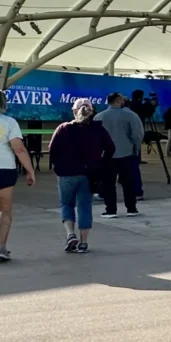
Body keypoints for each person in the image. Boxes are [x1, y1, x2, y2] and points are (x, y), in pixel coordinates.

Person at [49, 99, 114, 254]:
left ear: (74, 111)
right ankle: (84, 242)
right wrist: (101, 164)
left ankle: (70, 234)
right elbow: (110, 148)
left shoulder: (63, 128)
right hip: (89, 174)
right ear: (92, 112)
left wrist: (57, 166)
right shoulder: (98, 130)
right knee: (85, 206)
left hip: (66, 173)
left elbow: (52, 149)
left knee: (66, 204)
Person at [94, 92, 144, 218]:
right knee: (128, 183)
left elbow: (94, 139)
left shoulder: (99, 117)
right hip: (126, 154)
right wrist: (135, 149)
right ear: (118, 100)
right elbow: (137, 135)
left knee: (108, 183)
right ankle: (131, 208)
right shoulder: (131, 115)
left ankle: (110, 210)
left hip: (106, 156)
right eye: (121, 99)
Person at [0, 91, 36, 262]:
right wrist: (30, 170)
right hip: (5, 169)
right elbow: (19, 149)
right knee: (5, 211)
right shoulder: (9, 122)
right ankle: (1, 248)